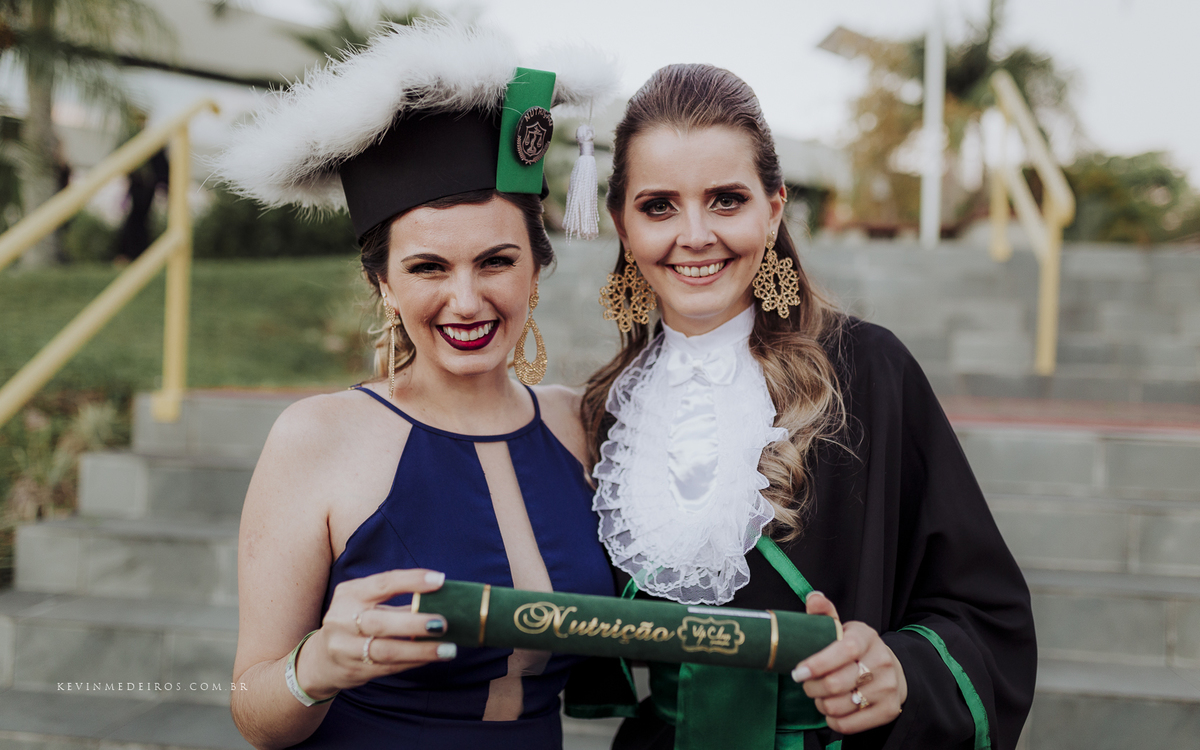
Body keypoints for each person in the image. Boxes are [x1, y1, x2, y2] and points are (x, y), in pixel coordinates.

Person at [579, 64, 1036, 750]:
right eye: (659, 206)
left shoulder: (867, 370)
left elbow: (985, 611)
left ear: (774, 209)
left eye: (726, 200)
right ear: (622, 223)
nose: (694, 234)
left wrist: (902, 671)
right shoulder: (611, 409)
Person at [216, 22, 617, 749]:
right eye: (428, 267)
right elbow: (253, 709)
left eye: (496, 261)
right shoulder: (317, 438)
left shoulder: (580, 425)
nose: (466, 301)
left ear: (537, 266)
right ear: (384, 285)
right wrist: (317, 666)